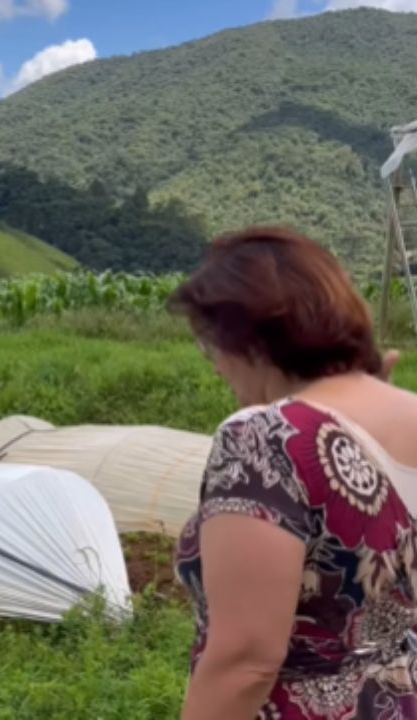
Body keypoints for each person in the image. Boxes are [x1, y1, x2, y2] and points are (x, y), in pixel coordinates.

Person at [168, 225, 417, 719]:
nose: (217, 367)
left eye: (213, 345)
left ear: (250, 337)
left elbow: (247, 660)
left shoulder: (265, 437)